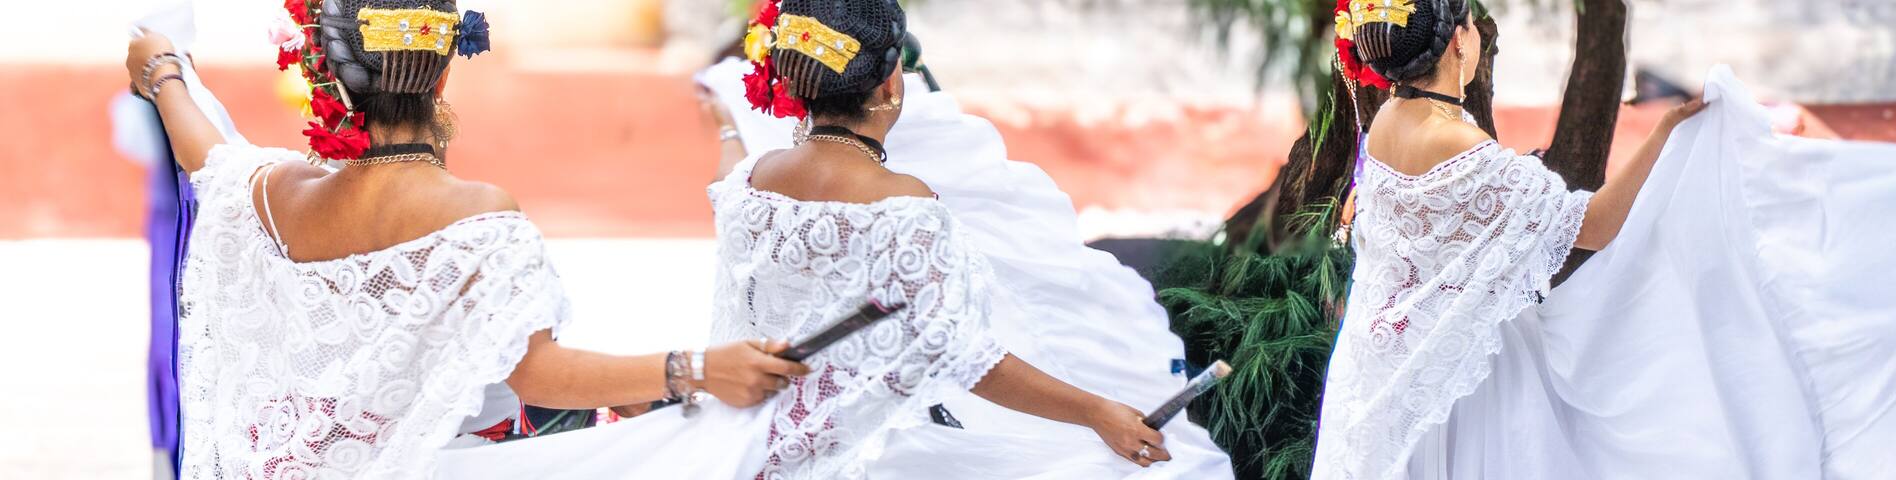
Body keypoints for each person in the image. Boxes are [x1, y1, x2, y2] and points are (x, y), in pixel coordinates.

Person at [125, 0, 807, 477]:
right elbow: (535, 371)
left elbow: (205, 152)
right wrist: (697, 370)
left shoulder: (275, 197)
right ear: (445, 70)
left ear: (324, 73)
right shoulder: (476, 214)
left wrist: (164, 73)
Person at [1314, 0, 1896, 478]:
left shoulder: (1389, 120)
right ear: (1458, 41)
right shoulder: (1458, 145)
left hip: (1394, 378)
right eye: (1473, 27)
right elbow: (1595, 225)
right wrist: (1667, 127)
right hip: (1472, 391)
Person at [689, 21, 1233, 480]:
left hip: (759, 443)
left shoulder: (744, 183)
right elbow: (963, 357)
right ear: (891, 83)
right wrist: (1096, 413)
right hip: (862, 454)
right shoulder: (904, 202)